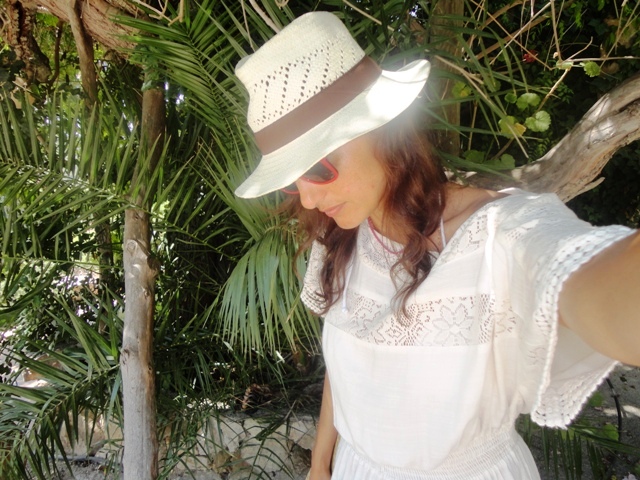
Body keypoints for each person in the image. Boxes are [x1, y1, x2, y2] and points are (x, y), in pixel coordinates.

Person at [233, 11, 640, 480]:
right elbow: (347, 373)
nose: (306, 198)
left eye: (318, 167)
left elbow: (595, 289)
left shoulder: (500, 234)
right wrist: (320, 464)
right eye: (291, 181)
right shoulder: (340, 240)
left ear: (383, 130)